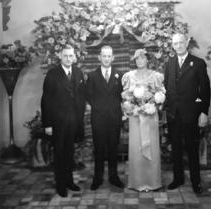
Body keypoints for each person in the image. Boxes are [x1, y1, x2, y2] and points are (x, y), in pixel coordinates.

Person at [164, 33, 211, 194]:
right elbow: (167, 87)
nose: (178, 46)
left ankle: (196, 181)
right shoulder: (169, 63)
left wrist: (203, 112)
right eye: (175, 43)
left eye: (181, 42)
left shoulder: (198, 63)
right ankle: (178, 179)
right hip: (173, 114)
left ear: (186, 43)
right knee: (175, 148)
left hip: (191, 114)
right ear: (172, 45)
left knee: (192, 148)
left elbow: (204, 89)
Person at [41, 44, 86, 197]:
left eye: (71, 55)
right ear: (60, 56)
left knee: (70, 152)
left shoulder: (78, 73)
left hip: (74, 121)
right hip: (58, 122)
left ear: (74, 57)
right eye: (65, 55)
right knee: (60, 154)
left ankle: (69, 181)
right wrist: (47, 124)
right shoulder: (52, 74)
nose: (68, 58)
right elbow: (46, 100)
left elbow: (81, 97)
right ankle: (61, 185)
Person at [121, 49, 165, 192]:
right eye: (137, 59)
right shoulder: (129, 76)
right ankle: (137, 181)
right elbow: (126, 97)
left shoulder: (156, 76)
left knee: (151, 147)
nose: (139, 61)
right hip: (136, 117)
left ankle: (153, 182)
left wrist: (153, 104)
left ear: (147, 60)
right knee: (136, 148)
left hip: (150, 117)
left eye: (142, 58)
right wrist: (131, 106)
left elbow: (161, 96)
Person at [86, 45, 124, 190]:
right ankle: (98, 177)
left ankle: (114, 177)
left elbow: (123, 95)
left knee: (114, 149)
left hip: (114, 118)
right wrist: (98, 107)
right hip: (98, 119)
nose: (106, 58)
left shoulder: (119, 75)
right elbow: (89, 96)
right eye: (104, 56)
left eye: (109, 56)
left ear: (113, 58)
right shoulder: (92, 76)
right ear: (99, 57)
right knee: (99, 149)